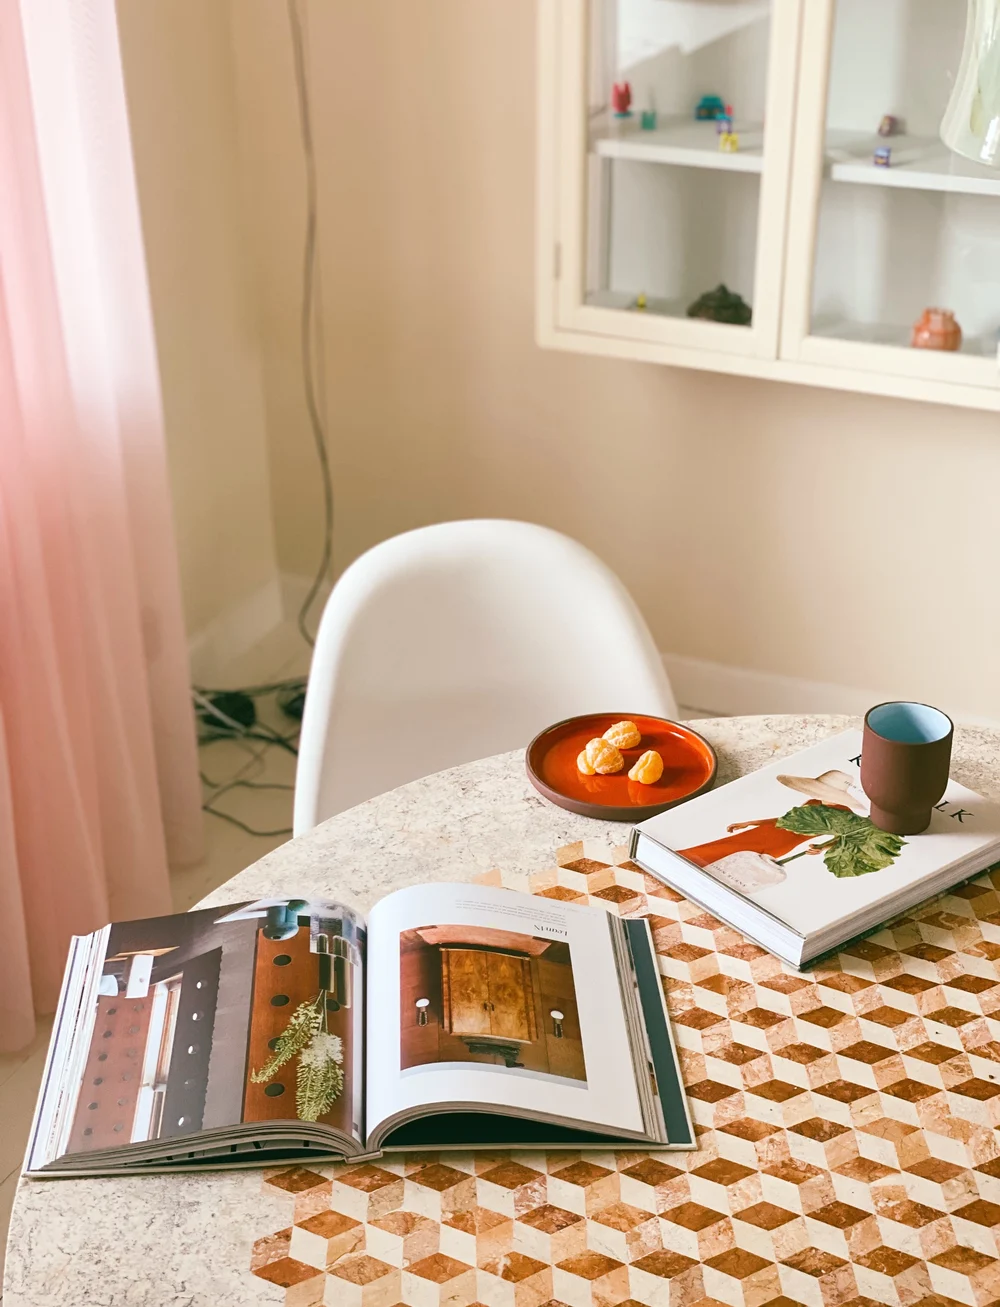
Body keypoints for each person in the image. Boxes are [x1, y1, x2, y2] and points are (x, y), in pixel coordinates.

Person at [676, 770, 864, 869]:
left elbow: (844, 838)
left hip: (780, 843)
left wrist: (822, 848)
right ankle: (680, 859)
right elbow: (783, 820)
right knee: (719, 847)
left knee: (733, 860)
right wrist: (751, 822)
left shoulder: (844, 812)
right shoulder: (813, 801)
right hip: (763, 832)